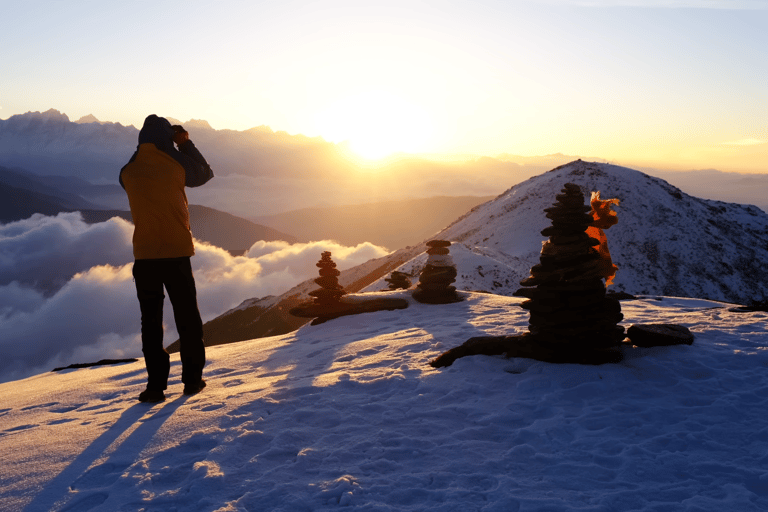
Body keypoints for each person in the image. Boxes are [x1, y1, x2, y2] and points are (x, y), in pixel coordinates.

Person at [120, 115, 214, 403]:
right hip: (176, 253)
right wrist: (184, 144)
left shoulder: (128, 171)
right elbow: (204, 173)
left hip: (145, 255)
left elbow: (138, 162)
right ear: (166, 137)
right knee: (187, 317)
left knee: (150, 322)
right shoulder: (176, 163)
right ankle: (192, 380)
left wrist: (147, 146)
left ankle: (155, 387)